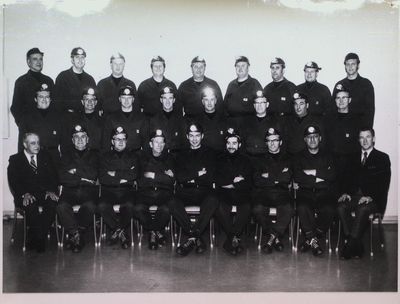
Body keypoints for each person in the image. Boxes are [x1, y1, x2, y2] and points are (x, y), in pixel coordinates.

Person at [337, 128, 391, 259]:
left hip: (373, 199)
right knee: (340, 207)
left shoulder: (382, 158)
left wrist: (370, 197)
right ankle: (356, 244)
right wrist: (345, 192)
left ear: (373, 139)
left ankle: (349, 246)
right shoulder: (352, 157)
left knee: (363, 209)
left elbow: (383, 184)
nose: (365, 140)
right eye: (362, 137)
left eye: (368, 137)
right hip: (354, 196)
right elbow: (344, 179)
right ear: (358, 140)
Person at [169, 123, 218, 256]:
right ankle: (196, 237)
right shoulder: (180, 154)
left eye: (197, 135)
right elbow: (179, 177)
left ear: (202, 136)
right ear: (187, 137)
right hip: (185, 191)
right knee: (172, 202)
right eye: (191, 136)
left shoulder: (210, 153)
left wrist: (189, 175)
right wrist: (198, 173)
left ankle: (191, 238)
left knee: (213, 200)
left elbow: (210, 176)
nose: (194, 139)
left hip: (203, 190)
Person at [7, 133, 59, 252]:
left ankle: (37, 236)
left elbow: (54, 177)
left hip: (44, 193)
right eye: (33, 143)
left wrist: (50, 190)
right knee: (30, 205)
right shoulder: (15, 160)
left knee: (52, 203)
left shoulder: (45, 156)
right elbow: (14, 181)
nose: (37, 146)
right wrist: (24, 193)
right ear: (25, 144)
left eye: (38, 143)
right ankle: (40, 239)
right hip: (25, 194)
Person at [293, 125, 337, 256]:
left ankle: (311, 238)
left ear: (320, 138)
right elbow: (297, 176)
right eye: (309, 137)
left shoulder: (328, 155)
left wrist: (312, 172)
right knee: (302, 207)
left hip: (324, 192)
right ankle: (314, 239)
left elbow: (332, 175)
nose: (312, 140)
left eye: (315, 137)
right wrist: (318, 178)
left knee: (330, 208)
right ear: (305, 140)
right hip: (305, 192)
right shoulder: (298, 156)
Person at [56, 125, 99, 253]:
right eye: (76, 137)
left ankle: (75, 234)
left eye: (83, 137)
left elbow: (93, 174)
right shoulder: (65, 156)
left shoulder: (95, 155)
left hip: (88, 191)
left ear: (87, 139)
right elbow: (62, 177)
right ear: (72, 140)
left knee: (90, 206)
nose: (80, 139)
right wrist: (82, 177)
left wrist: (74, 171)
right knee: (61, 206)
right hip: (69, 191)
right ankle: (77, 234)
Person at [252, 128, 293, 254]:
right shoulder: (259, 159)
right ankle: (275, 238)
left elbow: (287, 178)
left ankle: (271, 238)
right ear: (266, 143)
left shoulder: (289, 158)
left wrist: (268, 176)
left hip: (282, 193)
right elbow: (257, 180)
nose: (272, 143)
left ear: (280, 142)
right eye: (269, 141)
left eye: (275, 140)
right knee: (257, 209)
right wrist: (277, 178)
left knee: (289, 209)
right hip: (264, 193)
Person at [98, 126, 138, 249]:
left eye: (123, 139)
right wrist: (125, 175)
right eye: (117, 139)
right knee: (102, 205)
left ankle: (116, 232)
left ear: (126, 141)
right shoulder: (104, 157)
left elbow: (134, 175)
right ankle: (120, 231)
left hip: (127, 190)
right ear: (112, 141)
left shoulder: (133, 156)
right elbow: (103, 178)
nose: (120, 142)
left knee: (129, 205)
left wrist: (114, 173)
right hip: (109, 190)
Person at [135, 129, 176, 250]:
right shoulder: (142, 158)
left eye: (162, 142)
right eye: (156, 142)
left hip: (164, 192)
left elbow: (171, 181)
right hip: (146, 192)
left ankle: (152, 232)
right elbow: (141, 179)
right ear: (150, 144)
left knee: (166, 208)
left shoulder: (170, 158)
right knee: (137, 208)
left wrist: (152, 175)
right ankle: (156, 231)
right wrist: (163, 175)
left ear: (164, 144)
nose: (159, 145)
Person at [215, 128, 252, 256]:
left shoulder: (247, 161)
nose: (231, 146)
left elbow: (248, 182)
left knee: (247, 206)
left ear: (239, 145)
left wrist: (230, 183)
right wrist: (236, 181)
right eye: (229, 143)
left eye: (234, 143)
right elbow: (218, 180)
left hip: (241, 195)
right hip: (224, 195)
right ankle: (234, 237)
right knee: (219, 207)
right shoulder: (218, 160)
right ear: (225, 145)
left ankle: (231, 238)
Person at [11, 48, 54, 151]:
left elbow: (53, 105)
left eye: (40, 59)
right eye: (35, 59)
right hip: (28, 129)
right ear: (28, 62)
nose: (39, 62)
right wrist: (24, 124)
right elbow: (15, 107)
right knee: (28, 162)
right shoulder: (21, 82)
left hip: (46, 128)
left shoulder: (48, 80)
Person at [326, 84, 361, 187]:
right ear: (335, 100)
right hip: (331, 165)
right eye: (338, 98)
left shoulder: (357, 120)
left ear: (349, 100)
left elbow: (357, 147)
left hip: (350, 166)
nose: (341, 101)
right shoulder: (328, 119)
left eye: (344, 97)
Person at [20, 83, 61, 166]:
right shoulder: (26, 117)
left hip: (53, 158)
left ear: (51, 99)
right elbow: (22, 141)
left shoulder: (58, 117)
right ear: (35, 99)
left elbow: (64, 141)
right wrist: (22, 161)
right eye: (41, 97)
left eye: (47, 97)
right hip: (35, 156)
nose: (44, 100)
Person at [331, 53, 375, 128]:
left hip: (360, 127)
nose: (350, 67)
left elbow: (370, 110)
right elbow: (333, 108)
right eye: (347, 64)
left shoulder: (366, 84)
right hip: (342, 127)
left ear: (358, 65)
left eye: (353, 64)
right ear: (345, 66)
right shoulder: (340, 84)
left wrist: (367, 129)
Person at [102, 86, 148, 153]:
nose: (126, 101)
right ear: (119, 99)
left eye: (129, 98)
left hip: (136, 156)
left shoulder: (142, 118)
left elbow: (146, 143)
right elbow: (106, 143)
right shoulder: (111, 118)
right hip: (117, 156)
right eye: (123, 98)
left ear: (133, 99)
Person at [61, 87, 104, 155]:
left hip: (97, 158)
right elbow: (66, 142)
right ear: (82, 101)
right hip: (78, 158)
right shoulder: (73, 121)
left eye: (92, 99)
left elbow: (105, 144)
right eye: (86, 99)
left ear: (96, 102)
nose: (89, 102)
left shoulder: (103, 121)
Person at [242, 90, 284, 159]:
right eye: (257, 103)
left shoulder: (275, 122)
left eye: (262, 103)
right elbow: (242, 142)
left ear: (267, 104)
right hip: (248, 158)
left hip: (266, 159)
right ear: (254, 105)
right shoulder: (246, 122)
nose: (259, 106)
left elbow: (281, 143)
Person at [54, 47, 96, 113]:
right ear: (72, 60)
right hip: (68, 117)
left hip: (85, 118)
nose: (80, 60)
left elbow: (94, 101)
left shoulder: (90, 79)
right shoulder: (62, 77)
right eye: (77, 57)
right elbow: (57, 102)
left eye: (82, 57)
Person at [223, 56, 263, 126]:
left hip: (249, 125)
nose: (240, 68)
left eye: (243, 66)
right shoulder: (231, 85)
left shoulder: (254, 84)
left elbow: (262, 107)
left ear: (248, 67)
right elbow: (225, 107)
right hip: (232, 125)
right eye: (238, 66)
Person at [148, 86, 186, 155]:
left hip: (177, 157)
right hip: (161, 156)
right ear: (161, 100)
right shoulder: (153, 120)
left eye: (170, 98)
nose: (167, 101)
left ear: (174, 100)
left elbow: (185, 142)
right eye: (165, 98)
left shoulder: (181, 120)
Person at [196, 87, 228, 154]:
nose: (209, 103)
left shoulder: (225, 119)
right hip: (203, 156)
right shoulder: (196, 121)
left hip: (221, 156)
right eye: (206, 100)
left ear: (216, 101)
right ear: (202, 102)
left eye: (212, 100)